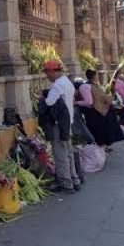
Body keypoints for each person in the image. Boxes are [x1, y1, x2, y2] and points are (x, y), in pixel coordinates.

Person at [40, 60, 80, 194]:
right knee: (68, 152)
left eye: (47, 72)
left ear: (53, 71)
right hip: (67, 124)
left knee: (60, 154)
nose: (47, 75)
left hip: (58, 125)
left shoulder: (57, 86)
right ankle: (74, 180)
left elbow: (50, 102)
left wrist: (42, 98)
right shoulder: (68, 83)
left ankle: (66, 184)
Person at [78, 69, 124, 151]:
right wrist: (76, 103)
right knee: (99, 131)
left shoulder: (95, 85)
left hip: (102, 111)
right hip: (96, 112)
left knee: (103, 131)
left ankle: (103, 148)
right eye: (96, 75)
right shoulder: (86, 86)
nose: (97, 77)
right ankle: (101, 148)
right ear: (93, 76)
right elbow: (89, 102)